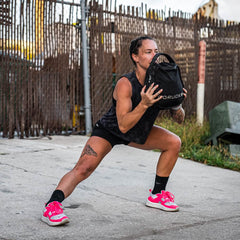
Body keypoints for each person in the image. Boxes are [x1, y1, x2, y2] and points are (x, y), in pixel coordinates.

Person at [41, 36, 187, 226]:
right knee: (84, 168)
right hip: (111, 130)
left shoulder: (162, 80)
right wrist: (144, 104)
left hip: (139, 130)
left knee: (173, 142)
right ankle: (52, 205)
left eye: (156, 51)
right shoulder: (125, 84)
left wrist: (177, 104)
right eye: (148, 52)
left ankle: (157, 195)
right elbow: (123, 125)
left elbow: (180, 118)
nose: (155, 55)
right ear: (135, 56)